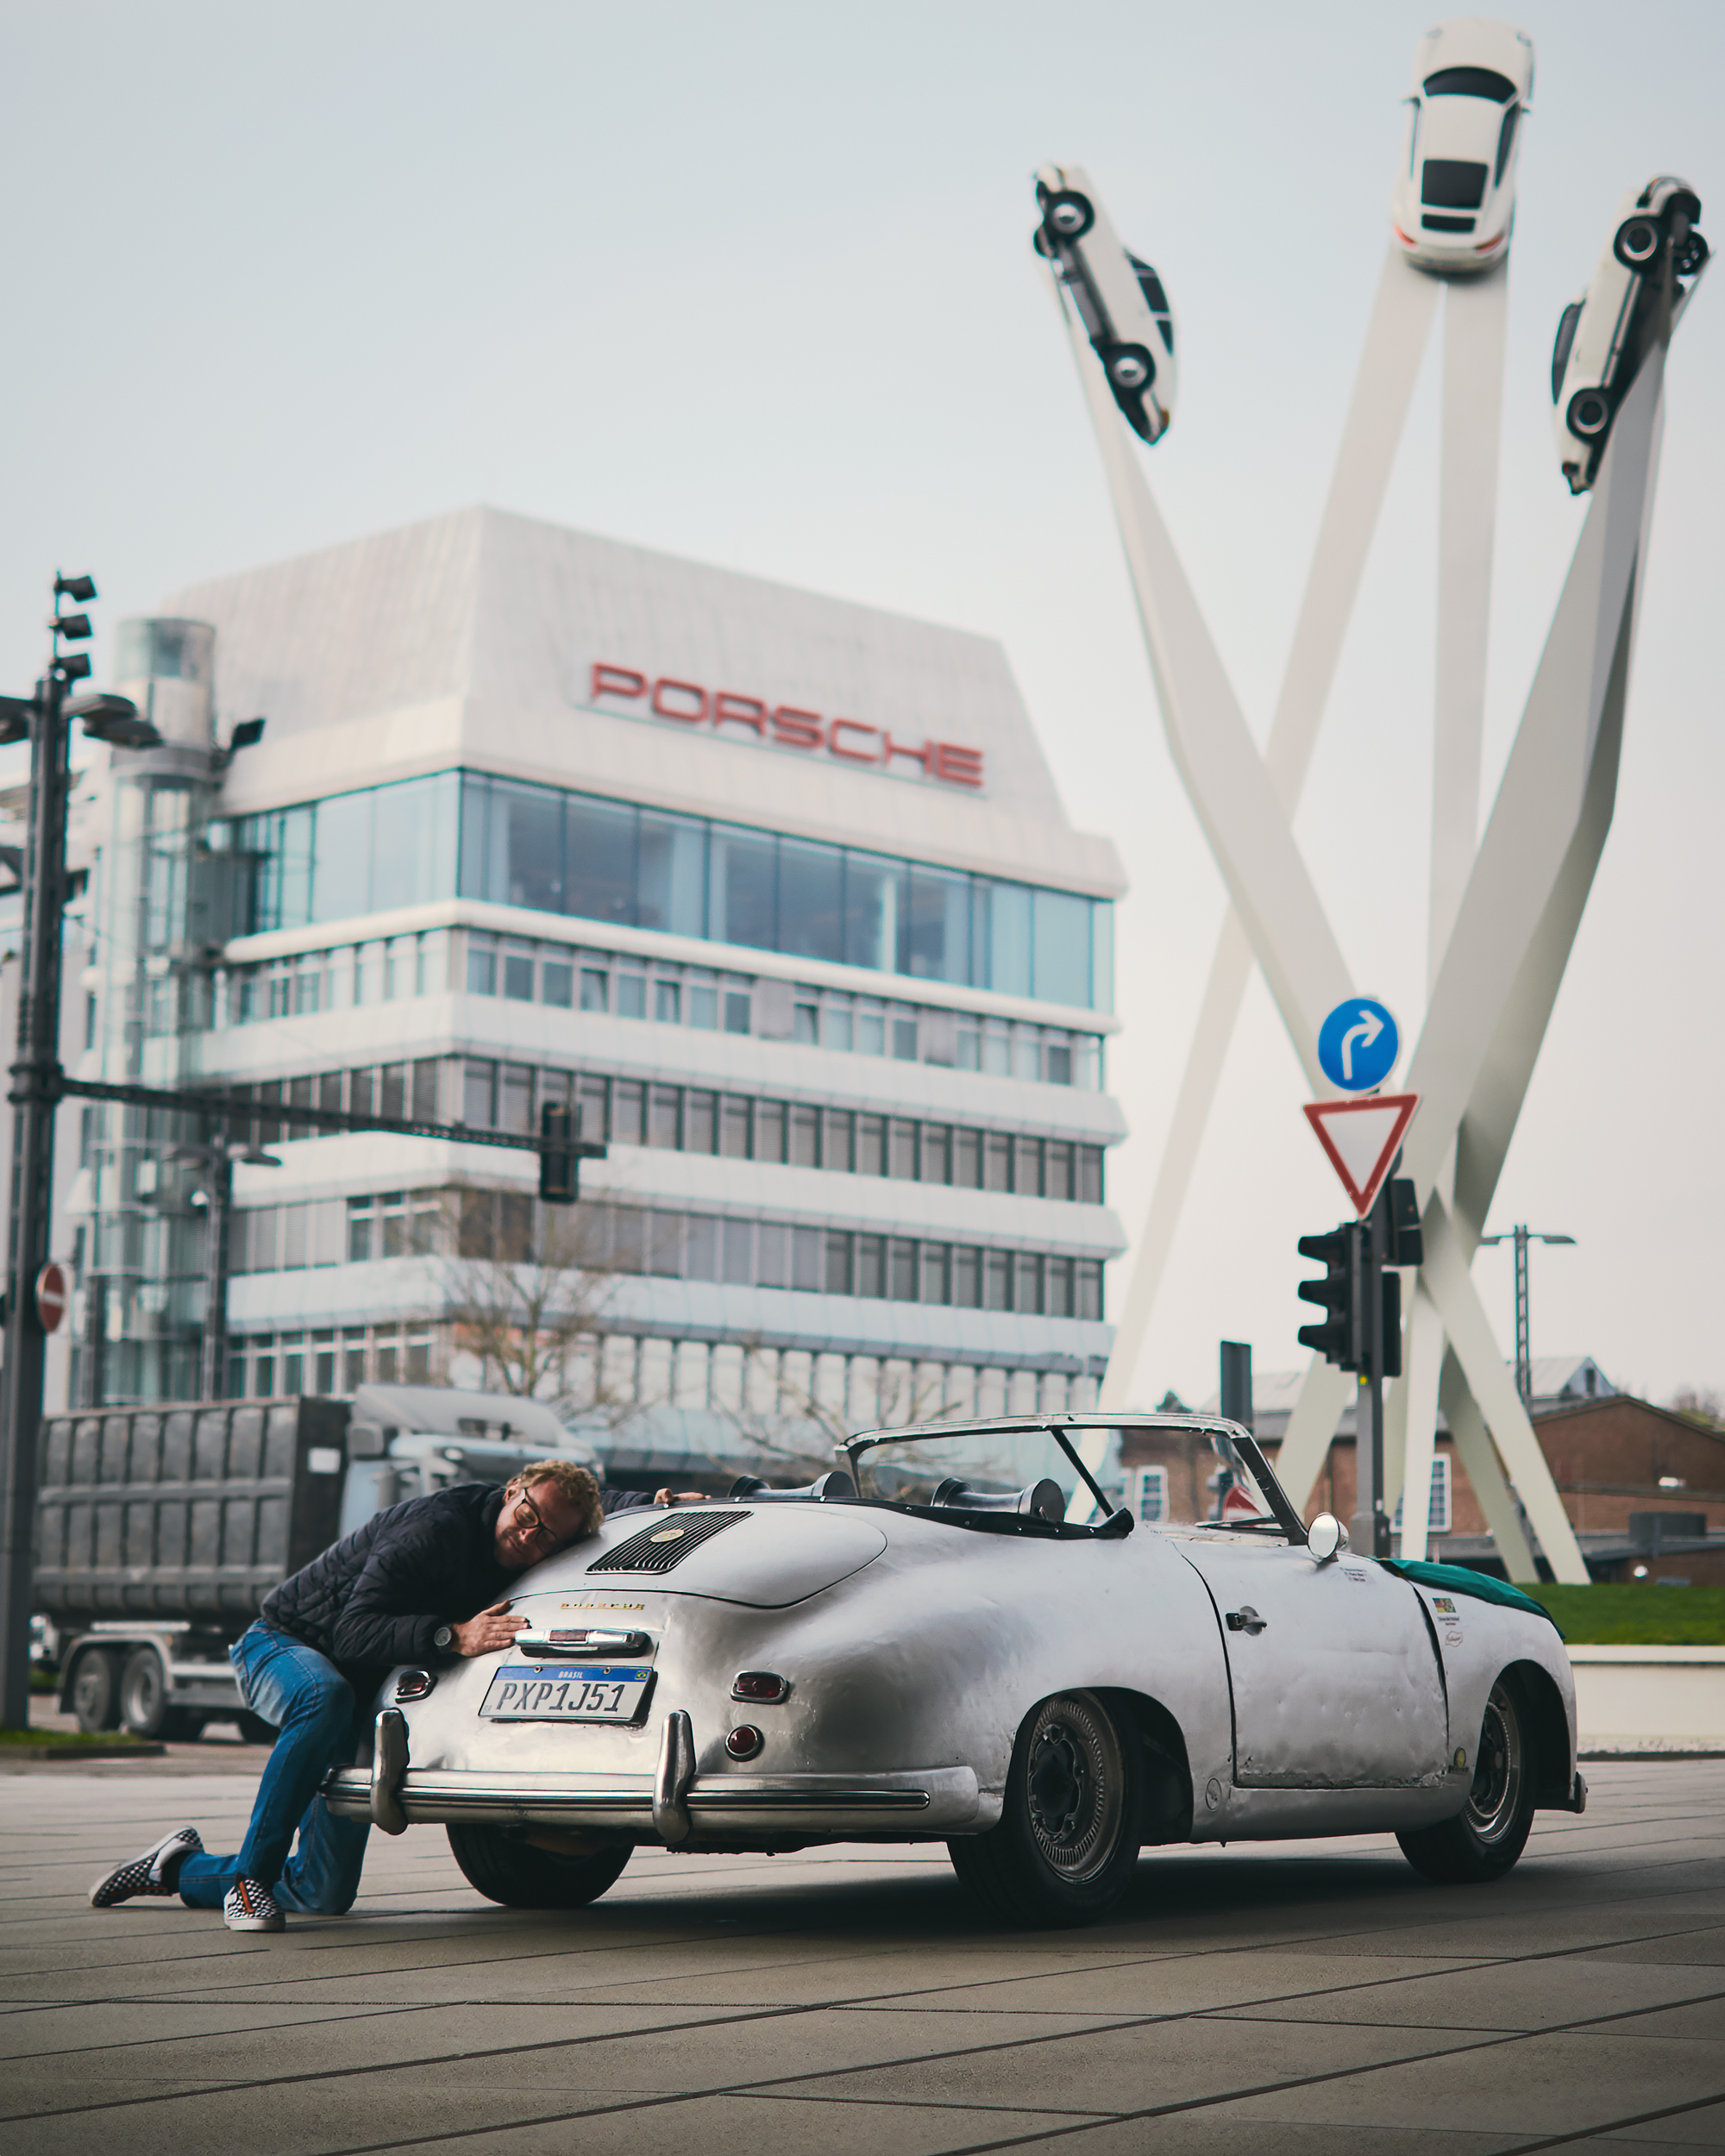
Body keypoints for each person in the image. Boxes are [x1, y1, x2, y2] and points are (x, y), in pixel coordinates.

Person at [88, 1460, 700, 1933]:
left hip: (355, 1680)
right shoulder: (435, 1528)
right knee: (322, 1699)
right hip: (285, 1644)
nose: (531, 1538)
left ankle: (176, 1867)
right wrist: (450, 1636)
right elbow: (353, 1630)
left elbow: (588, 1504)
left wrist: (655, 1503)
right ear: (514, 1490)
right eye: (528, 1517)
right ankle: (249, 1882)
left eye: (548, 1539)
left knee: (322, 1892)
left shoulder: (548, 1520)